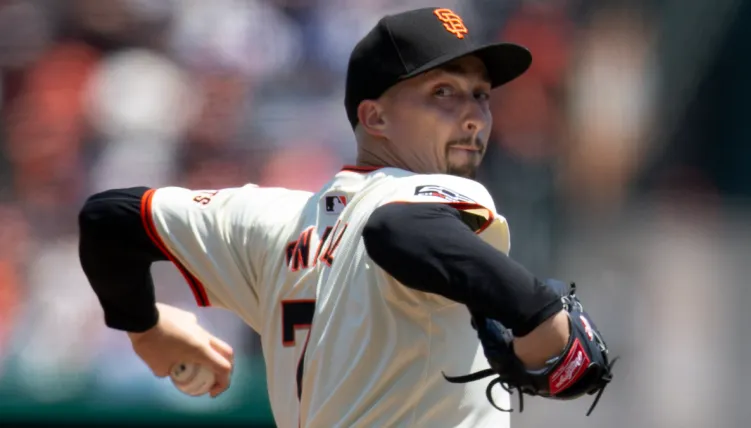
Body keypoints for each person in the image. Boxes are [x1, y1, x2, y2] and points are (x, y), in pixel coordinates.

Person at [78, 7, 606, 428]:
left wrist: (144, 327)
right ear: (374, 116)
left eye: (481, 95)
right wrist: (541, 314)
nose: (474, 115)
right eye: (442, 92)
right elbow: (397, 230)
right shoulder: (435, 194)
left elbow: (109, 219)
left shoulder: (271, 220)